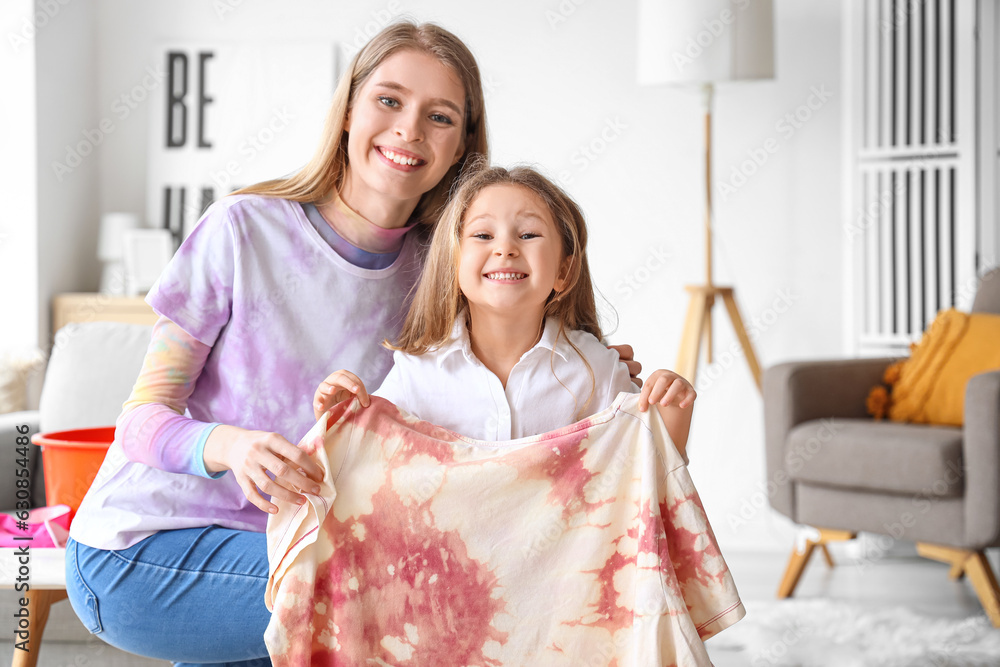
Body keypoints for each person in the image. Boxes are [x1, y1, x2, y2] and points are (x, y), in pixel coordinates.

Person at [65, 21, 638, 666]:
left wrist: (581, 368)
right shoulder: (241, 229)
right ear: (348, 113)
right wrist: (229, 445)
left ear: (462, 149)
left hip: (306, 541)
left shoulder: (445, 268)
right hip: (146, 547)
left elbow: (490, 381)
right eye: (388, 101)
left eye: (439, 116)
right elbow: (140, 420)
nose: (409, 131)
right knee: (402, 594)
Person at [313, 163, 695, 455]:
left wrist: (671, 412)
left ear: (564, 270)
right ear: (454, 264)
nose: (505, 249)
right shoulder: (417, 372)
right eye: (482, 235)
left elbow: (646, 481)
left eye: (528, 235)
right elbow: (371, 471)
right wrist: (341, 420)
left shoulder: (597, 369)